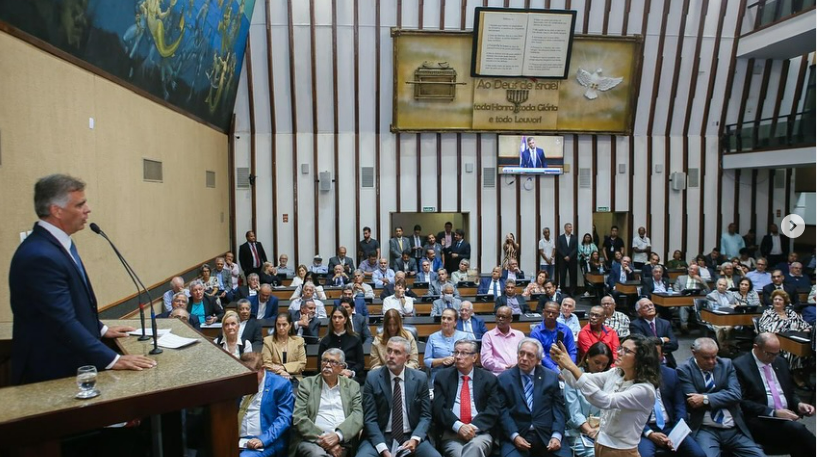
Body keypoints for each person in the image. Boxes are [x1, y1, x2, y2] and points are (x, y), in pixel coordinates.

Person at [9, 175, 156, 384]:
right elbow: (60, 321)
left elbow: (74, 303)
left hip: (71, 363)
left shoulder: (61, 243)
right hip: (52, 372)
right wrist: (114, 359)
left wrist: (101, 329)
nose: (88, 209)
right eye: (80, 204)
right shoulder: (39, 256)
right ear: (56, 210)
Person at [551, 334, 660, 457]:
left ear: (640, 358)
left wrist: (571, 365)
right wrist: (564, 364)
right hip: (600, 443)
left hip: (621, 451)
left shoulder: (644, 390)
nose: (619, 353)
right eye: (620, 348)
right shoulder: (616, 373)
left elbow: (604, 401)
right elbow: (579, 380)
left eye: (627, 351)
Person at [677, 338, 765, 457]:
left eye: (714, 356)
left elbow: (735, 395)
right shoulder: (684, 370)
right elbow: (693, 401)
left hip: (732, 428)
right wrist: (724, 395)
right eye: (706, 357)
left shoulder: (726, 364)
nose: (712, 361)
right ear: (694, 353)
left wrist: (705, 398)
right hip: (706, 428)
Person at [733, 333, 816, 457]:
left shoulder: (780, 362)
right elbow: (742, 402)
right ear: (756, 347)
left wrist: (798, 404)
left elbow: (789, 391)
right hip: (760, 418)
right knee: (798, 431)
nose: (773, 358)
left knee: (798, 441)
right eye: (769, 354)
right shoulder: (739, 366)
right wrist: (774, 413)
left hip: (786, 416)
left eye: (776, 353)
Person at [358, 337, 440, 457]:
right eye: (389, 351)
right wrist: (383, 449)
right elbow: (370, 419)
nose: (391, 356)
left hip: (411, 435)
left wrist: (415, 439)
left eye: (397, 352)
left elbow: (426, 416)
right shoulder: (373, 378)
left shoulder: (419, 378)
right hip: (380, 436)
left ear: (407, 358)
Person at [638, 337, 706, 457]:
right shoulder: (633, 378)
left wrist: (677, 430)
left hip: (671, 427)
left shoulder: (671, 374)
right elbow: (631, 414)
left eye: (656, 354)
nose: (653, 359)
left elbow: (679, 405)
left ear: (661, 356)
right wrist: (649, 433)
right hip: (645, 429)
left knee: (699, 454)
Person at [289, 348, 364, 457]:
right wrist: (325, 441)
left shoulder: (352, 386)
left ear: (342, 367)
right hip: (313, 441)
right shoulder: (307, 384)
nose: (327, 365)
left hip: (343, 441)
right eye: (325, 360)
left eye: (333, 362)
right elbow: (299, 417)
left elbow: (358, 415)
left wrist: (338, 436)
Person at [433, 339, 501, 457]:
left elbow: (493, 410)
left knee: (475, 447)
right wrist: (459, 427)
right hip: (452, 433)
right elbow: (438, 409)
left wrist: (471, 427)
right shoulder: (442, 377)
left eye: (464, 353)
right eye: (456, 352)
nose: (458, 357)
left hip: (480, 433)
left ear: (474, 357)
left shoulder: (488, 379)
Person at [237, 353, 294, 457]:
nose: (247, 379)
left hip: (267, 440)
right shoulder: (239, 382)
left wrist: (263, 439)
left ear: (262, 369)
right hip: (239, 440)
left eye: (251, 375)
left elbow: (284, 418)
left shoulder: (280, 385)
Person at [563, 342, 613, 457]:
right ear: (587, 358)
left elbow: (610, 411)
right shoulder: (572, 377)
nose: (600, 367)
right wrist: (591, 432)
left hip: (604, 431)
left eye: (604, 365)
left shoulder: (608, 378)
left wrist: (600, 431)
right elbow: (574, 413)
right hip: (578, 432)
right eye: (597, 362)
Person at [758, 290, 812, 383]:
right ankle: (796, 375)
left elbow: (805, 326)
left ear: (785, 302)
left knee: (805, 349)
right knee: (793, 351)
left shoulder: (791, 313)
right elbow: (765, 329)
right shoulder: (768, 313)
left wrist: (806, 329)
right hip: (778, 342)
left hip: (794, 340)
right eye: (775, 299)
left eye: (780, 299)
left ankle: (804, 374)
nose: (777, 301)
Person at [318, 306, 365, 385]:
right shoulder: (325, 341)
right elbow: (320, 364)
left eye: (340, 317)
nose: (337, 320)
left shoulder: (355, 339)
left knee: (350, 384)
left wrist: (350, 372)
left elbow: (361, 363)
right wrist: (336, 372)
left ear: (345, 320)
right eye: (334, 317)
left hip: (350, 375)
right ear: (331, 320)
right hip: (330, 374)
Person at [425, 308, 470, 387]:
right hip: (438, 375)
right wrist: (442, 360)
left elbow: (470, 357)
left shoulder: (464, 337)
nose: (445, 321)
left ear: (455, 322)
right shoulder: (433, 337)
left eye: (449, 319)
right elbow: (427, 361)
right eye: (443, 318)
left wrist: (456, 359)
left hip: (460, 373)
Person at [629, 298, 679, 368]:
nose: (650, 308)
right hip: (647, 363)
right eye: (645, 306)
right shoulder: (635, 325)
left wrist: (654, 347)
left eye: (651, 305)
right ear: (639, 312)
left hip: (667, 362)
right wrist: (661, 340)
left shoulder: (665, 323)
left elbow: (674, 344)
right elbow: (642, 344)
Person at [530, 301, 577, 372]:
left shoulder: (566, 330)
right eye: (548, 312)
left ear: (558, 314)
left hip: (566, 366)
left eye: (554, 313)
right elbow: (541, 356)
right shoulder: (536, 332)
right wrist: (556, 371)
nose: (551, 315)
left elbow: (572, 351)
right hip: (545, 370)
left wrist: (571, 367)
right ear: (543, 312)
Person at [480, 306, 525, 376]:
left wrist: (517, 366)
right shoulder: (488, 335)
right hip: (499, 374)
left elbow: (524, 355)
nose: (500, 319)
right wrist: (505, 367)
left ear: (511, 319)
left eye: (503, 317)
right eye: (498, 316)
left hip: (520, 372)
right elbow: (486, 360)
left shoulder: (519, 335)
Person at [262, 312, 306, 382]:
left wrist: (284, 367)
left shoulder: (298, 341)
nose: (281, 327)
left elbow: (302, 364)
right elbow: (266, 364)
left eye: (284, 324)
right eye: (278, 325)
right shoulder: (268, 341)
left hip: (294, 377)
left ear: (290, 325)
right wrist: (281, 372)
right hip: (274, 377)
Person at [557, 223, 578, 297]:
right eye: (569, 227)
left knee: (573, 276)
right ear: (565, 228)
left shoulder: (574, 238)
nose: (571, 228)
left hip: (572, 260)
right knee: (562, 275)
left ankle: (572, 291)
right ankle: (562, 290)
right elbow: (559, 248)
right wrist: (565, 256)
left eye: (571, 227)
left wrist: (569, 256)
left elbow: (575, 248)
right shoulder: (560, 238)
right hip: (563, 260)